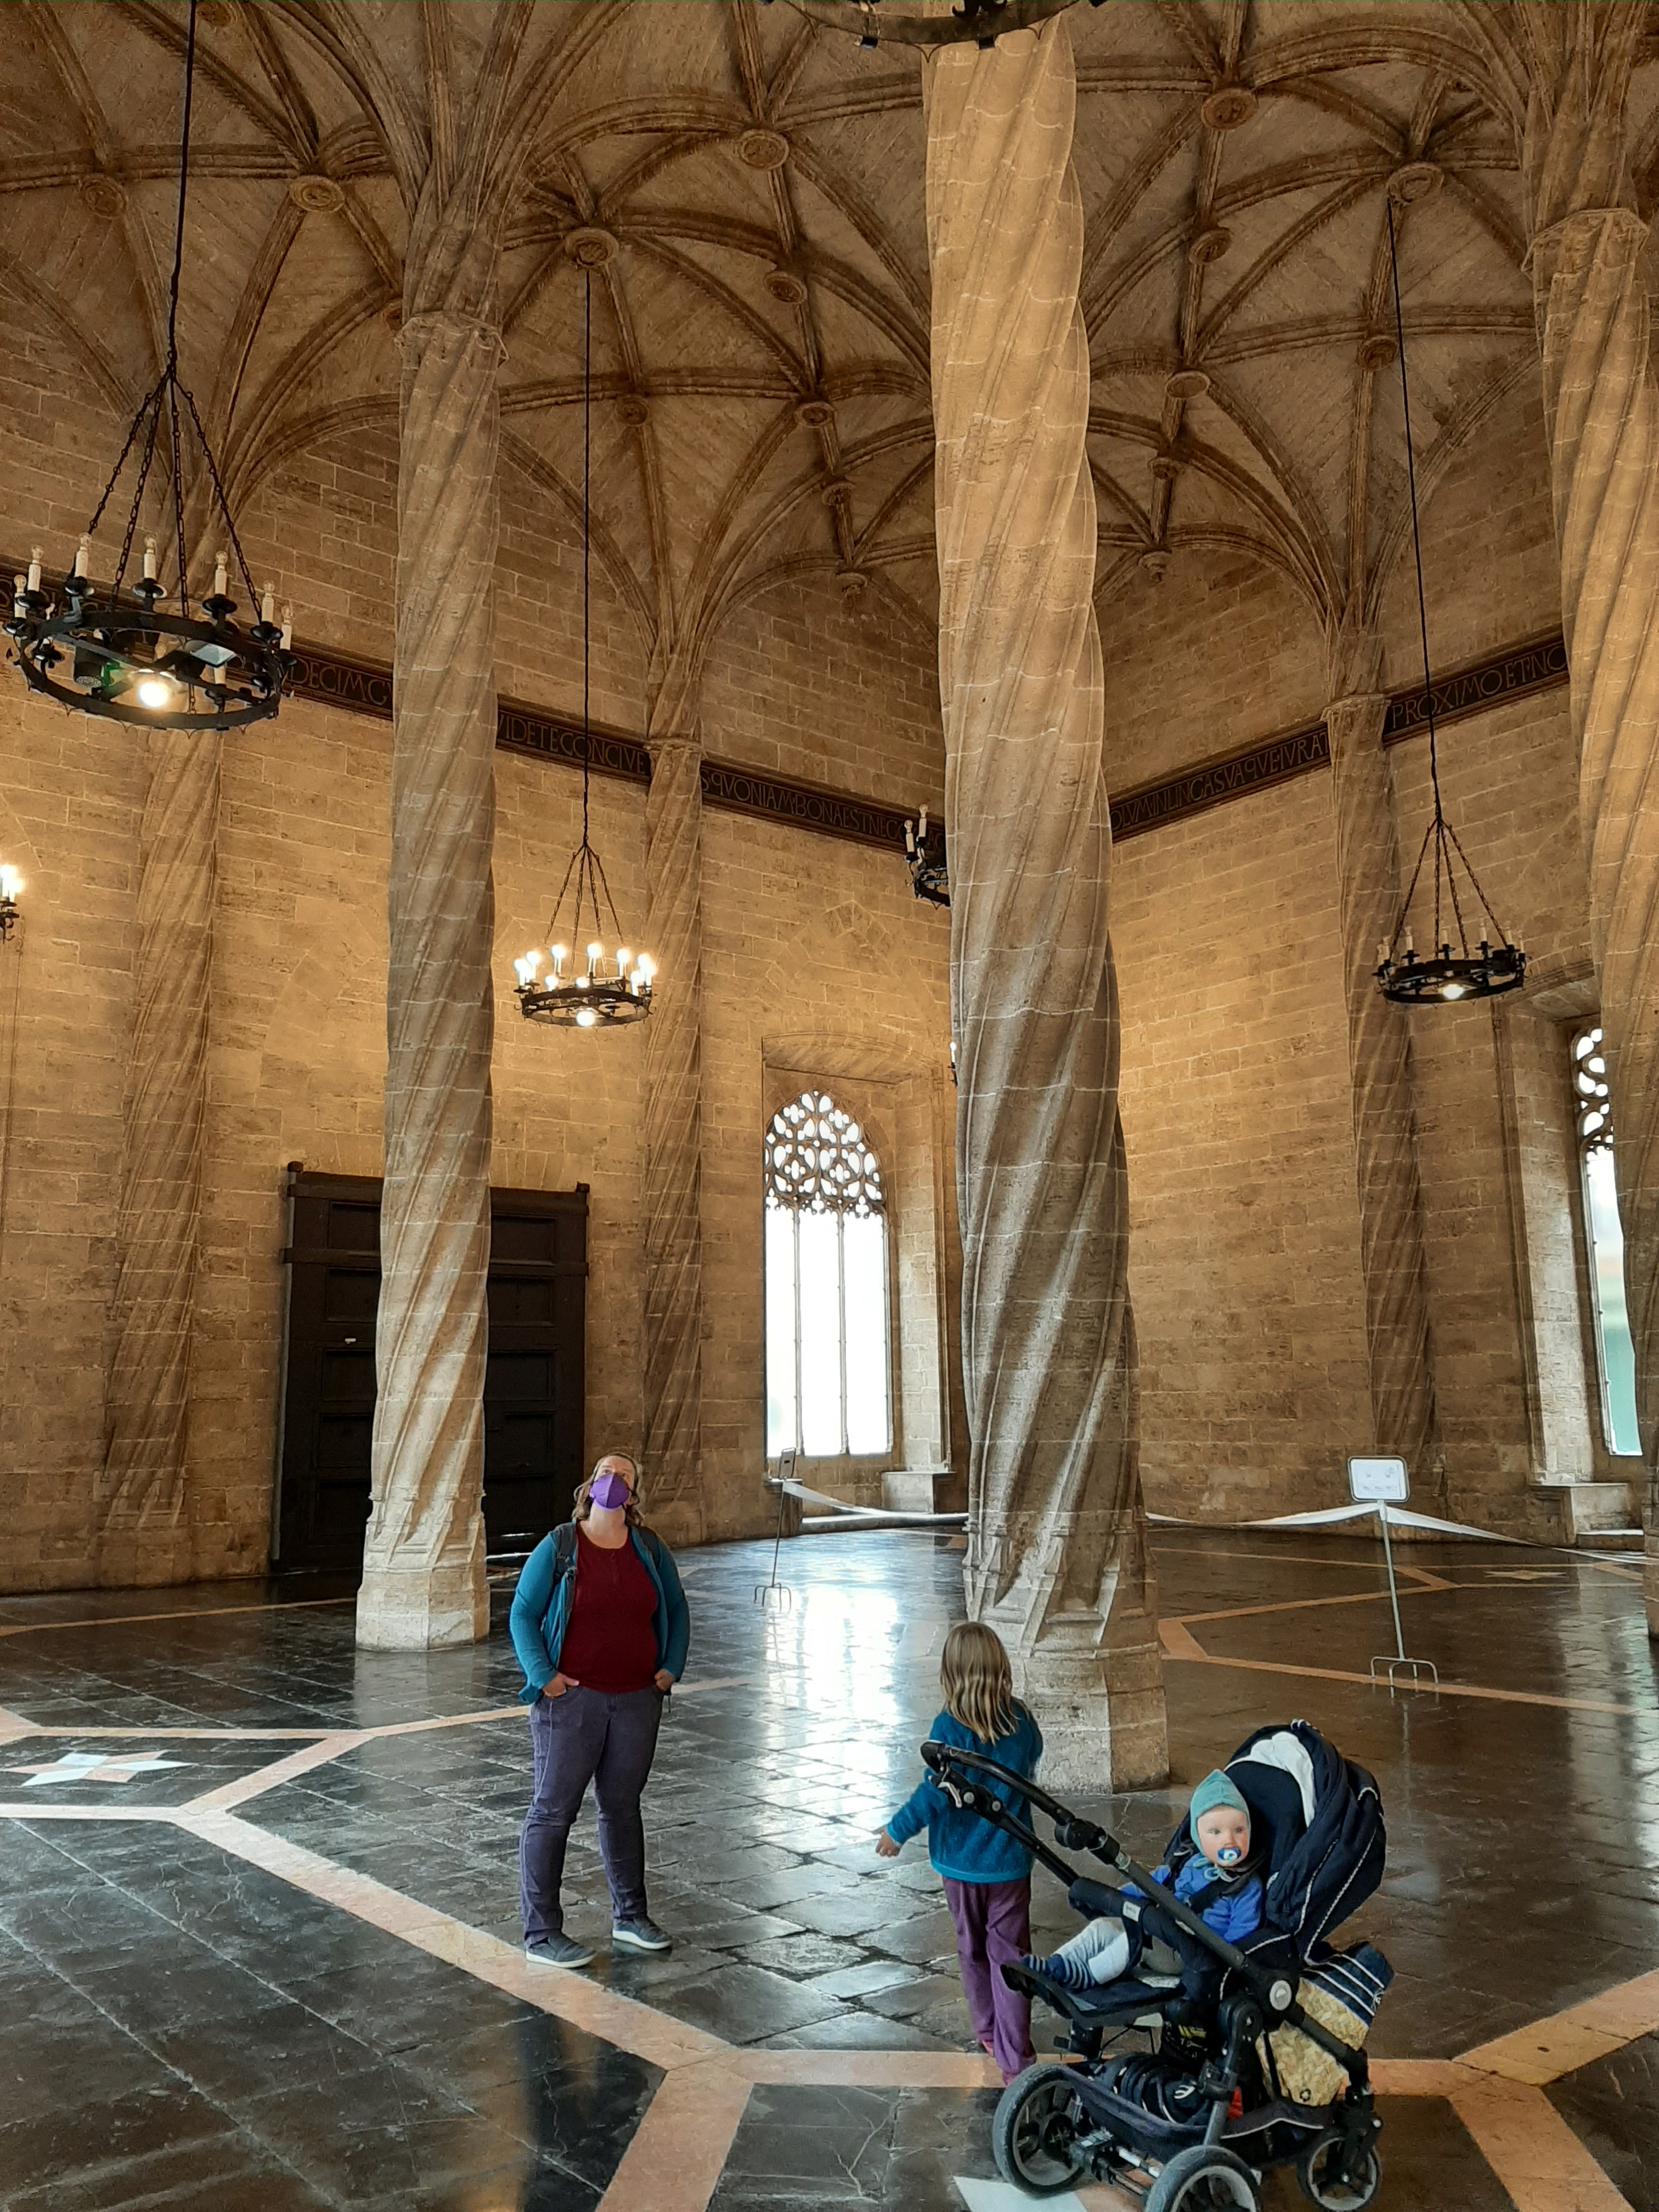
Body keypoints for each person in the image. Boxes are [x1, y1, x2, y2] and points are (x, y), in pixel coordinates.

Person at [509, 1451, 690, 1970]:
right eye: (605, 1473)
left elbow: (677, 1607)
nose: (614, 1480)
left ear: (633, 1495)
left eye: (624, 1476)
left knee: (622, 1806)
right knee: (552, 1811)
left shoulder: (648, 1548)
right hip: (573, 1702)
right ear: (589, 1486)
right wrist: (544, 1677)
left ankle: (630, 1916)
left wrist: (671, 1666)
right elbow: (523, 1613)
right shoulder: (561, 1545)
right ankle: (542, 1933)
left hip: (636, 1699)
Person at [875, 1621, 1043, 2085]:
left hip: (961, 1866)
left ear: (951, 1674)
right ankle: (1016, 2059)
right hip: (1009, 1864)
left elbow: (932, 1794)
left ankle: (987, 2030)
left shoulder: (948, 1728)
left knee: (972, 1950)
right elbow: (1032, 1760)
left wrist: (896, 1831)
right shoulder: (1022, 1722)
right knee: (1012, 1959)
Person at [1025, 1768, 1265, 1990]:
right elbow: (1150, 1885)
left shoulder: (1245, 1885)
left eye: (1239, 1830)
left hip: (1192, 1954)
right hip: (1163, 1931)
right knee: (1104, 1927)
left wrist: (1221, 1968)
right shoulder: (1188, 1862)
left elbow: (1243, 1938)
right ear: (1198, 1837)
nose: (1229, 1841)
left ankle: (1087, 1974)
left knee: (1137, 1940)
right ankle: (1056, 1965)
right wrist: (1116, 1899)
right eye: (1216, 1832)